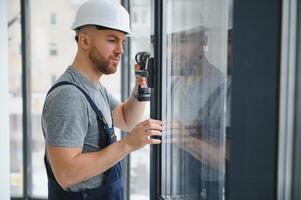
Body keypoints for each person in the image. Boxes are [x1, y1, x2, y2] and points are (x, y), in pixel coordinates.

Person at [41, 0, 162, 199]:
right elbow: (66, 174)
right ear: (85, 41)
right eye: (112, 40)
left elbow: (126, 119)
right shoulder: (69, 96)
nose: (120, 50)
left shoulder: (95, 88)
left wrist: (141, 88)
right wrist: (127, 145)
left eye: (123, 42)